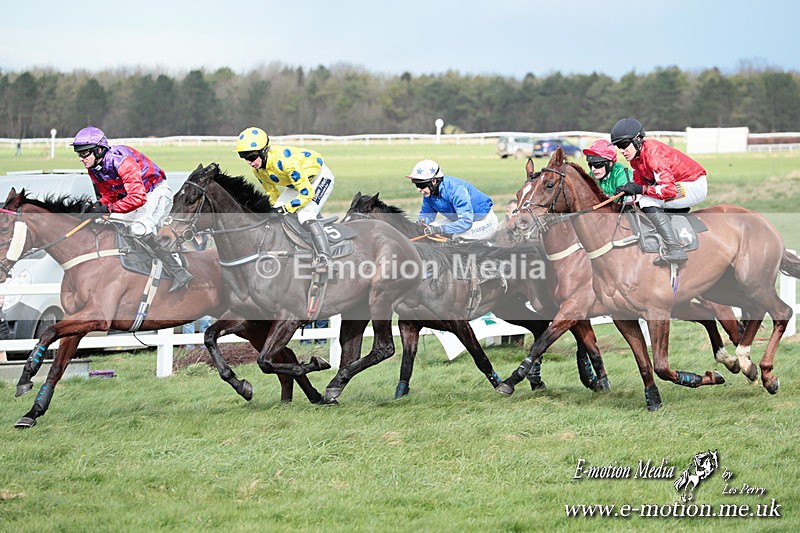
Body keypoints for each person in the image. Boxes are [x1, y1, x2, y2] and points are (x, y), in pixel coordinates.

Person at [71, 126, 193, 291]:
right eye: (79, 154)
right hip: (135, 198)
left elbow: (138, 198)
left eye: (84, 153)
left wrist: (107, 209)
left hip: (155, 194)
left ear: (98, 150)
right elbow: (109, 196)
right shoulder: (94, 169)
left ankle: (179, 271)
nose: (81, 158)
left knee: (139, 229)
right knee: (108, 223)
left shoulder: (122, 162)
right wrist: (98, 206)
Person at [610, 117, 708, 266]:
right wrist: (628, 191)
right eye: (619, 147)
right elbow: (639, 185)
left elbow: (668, 190)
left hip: (694, 184)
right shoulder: (636, 158)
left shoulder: (653, 155)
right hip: (678, 184)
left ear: (637, 140)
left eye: (624, 145)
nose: (622, 151)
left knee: (647, 200)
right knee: (639, 200)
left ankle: (675, 249)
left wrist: (639, 189)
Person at [235, 127, 335, 272]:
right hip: (298, 184)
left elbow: (307, 194)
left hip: (319, 178)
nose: (249, 162)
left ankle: (326, 258)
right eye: (244, 157)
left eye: (251, 157)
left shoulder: (286, 163)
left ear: (263, 152)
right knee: (275, 213)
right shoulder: (258, 170)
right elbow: (272, 194)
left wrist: (285, 209)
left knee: (305, 214)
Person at [405, 159, 498, 241]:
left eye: (421, 185)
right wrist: (421, 223)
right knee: (429, 229)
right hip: (460, 221)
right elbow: (427, 215)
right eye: (416, 185)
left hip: (483, 221)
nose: (418, 189)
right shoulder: (429, 193)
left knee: (459, 238)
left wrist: (441, 229)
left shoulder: (456, 190)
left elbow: (466, 222)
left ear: (433, 181)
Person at [180, 234, 212, 346]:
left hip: (207, 285)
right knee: (188, 319)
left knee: (206, 319)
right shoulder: (185, 242)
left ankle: (205, 346)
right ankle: (189, 347)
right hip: (189, 285)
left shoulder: (211, 241)